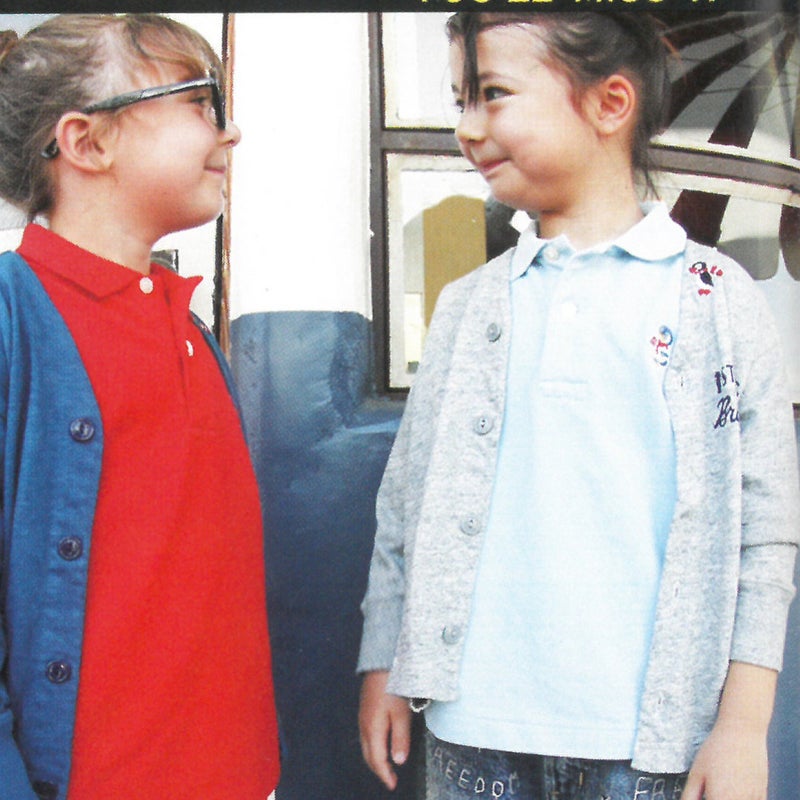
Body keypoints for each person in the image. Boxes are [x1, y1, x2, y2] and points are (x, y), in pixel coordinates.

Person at [358, 11, 800, 800]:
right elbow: (406, 503)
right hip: (472, 732)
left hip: (649, 750)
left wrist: (742, 724)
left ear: (609, 104)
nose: (467, 128)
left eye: (492, 93)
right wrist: (386, 658)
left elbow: (763, 533)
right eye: (459, 100)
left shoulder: (718, 300)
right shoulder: (466, 305)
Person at [0, 14, 279, 800]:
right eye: (200, 102)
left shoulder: (190, 330)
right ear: (88, 142)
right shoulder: (14, 323)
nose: (229, 132)